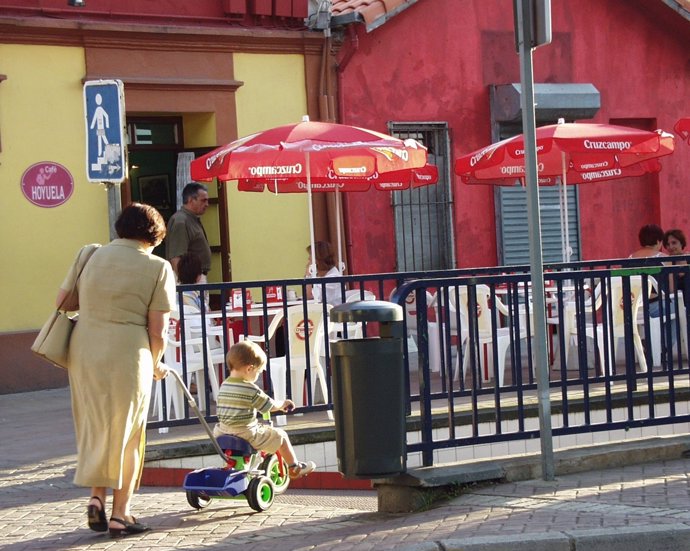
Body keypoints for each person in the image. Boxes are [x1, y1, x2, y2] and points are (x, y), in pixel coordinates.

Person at [56, 203, 176, 538]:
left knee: (96, 425)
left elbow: (63, 302)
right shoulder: (158, 267)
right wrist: (155, 363)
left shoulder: (89, 254)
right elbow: (158, 330)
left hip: (85, 349)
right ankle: (121, 514)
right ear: (154, 235)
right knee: (129, 434)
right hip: (128, 353)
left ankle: (96, 497)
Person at [214, 340, 316, 479]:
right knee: (281, 436)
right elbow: (270, 406)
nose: (258, 376)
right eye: (258, 372)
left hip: (221, 433)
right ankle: (294, 467)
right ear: (249, 369)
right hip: (245, 434)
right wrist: (283, 404)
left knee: (258, 428)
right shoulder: (250, 389)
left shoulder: (224, 385)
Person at [166, 182, 211, 280]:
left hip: (196, 278)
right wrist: (188, 284)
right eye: (203, 200)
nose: (207, 204)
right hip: (190, 281)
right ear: (191, 200)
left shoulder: (191, 219)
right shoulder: (181, 221)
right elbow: (176, 257)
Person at [304, 241, 342, 305]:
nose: (308, 259)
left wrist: (308, 275)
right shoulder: (321, 275)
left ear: (318, 260)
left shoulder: (333, 278)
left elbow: (310, 297)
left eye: (310, 257)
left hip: (330, 312)